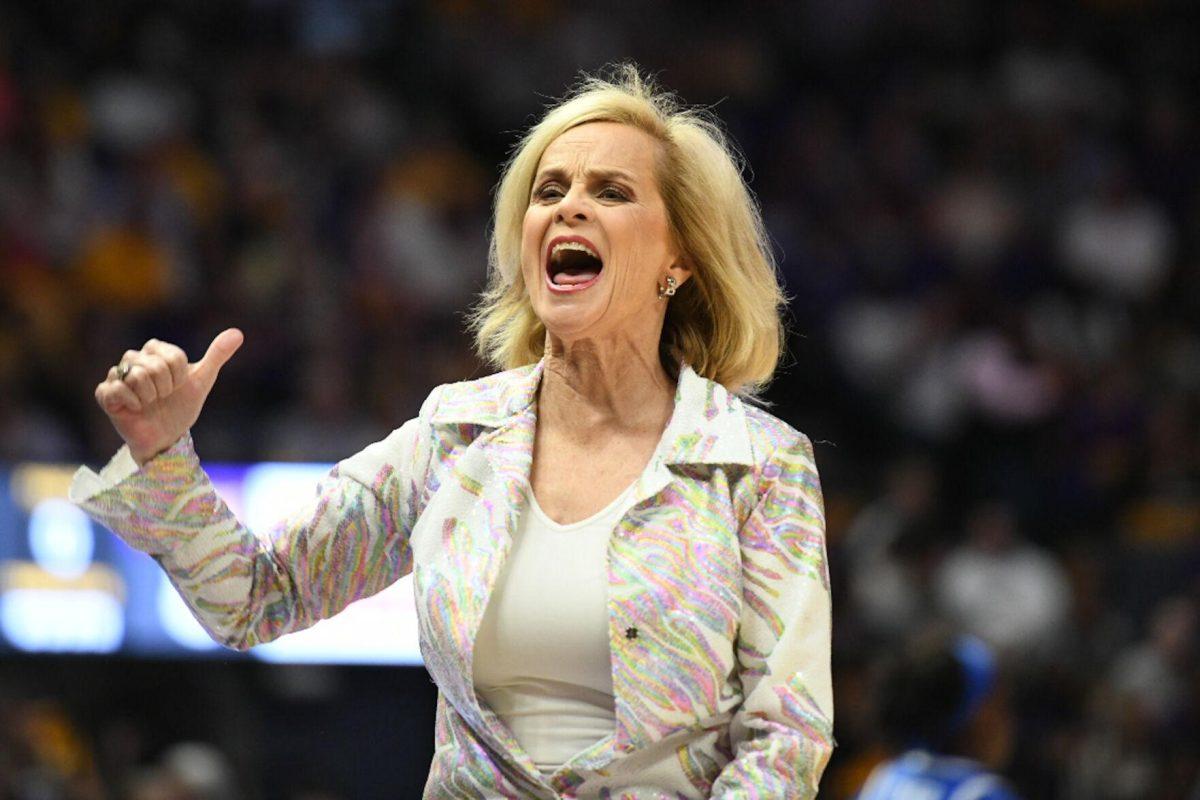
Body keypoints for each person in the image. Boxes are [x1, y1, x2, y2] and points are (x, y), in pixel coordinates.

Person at [69, 66, 833, 799]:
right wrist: (162, 451)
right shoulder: (453, 437)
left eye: (612, 191)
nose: (568, 208)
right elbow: (259, 596)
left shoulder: (757, 467)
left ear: (681, 260)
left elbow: (785, 732)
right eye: (550, 190)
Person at [856, 631, 1019, 800]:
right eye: (1000, 702)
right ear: (979, 716)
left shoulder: (881, 781)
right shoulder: (982, 793)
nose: (1009, 720)